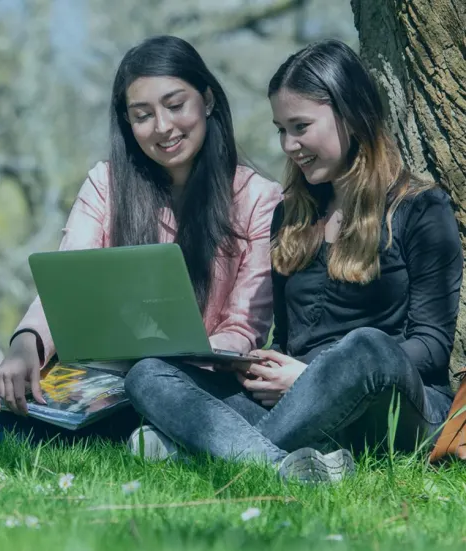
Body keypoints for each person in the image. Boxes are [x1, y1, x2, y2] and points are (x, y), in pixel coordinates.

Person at [126, 39, 461, 482]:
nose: (288, 144)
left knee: (364, 345)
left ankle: (206, 454)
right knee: (149, 372)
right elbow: (288, 336)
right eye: (281, 129)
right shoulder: (290, 213)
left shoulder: (420, 207)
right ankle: (284, 463)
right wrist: (265, 366)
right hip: (294, 399)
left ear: (351, 114)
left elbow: (432, 347)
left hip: (394, 402)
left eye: (300, 126)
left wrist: (311, 375)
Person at [0, 35, 282, 446]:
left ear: (209, 101)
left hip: (195, 386)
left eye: (175, 105)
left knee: (156, 393)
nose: (162, 127)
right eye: (142, 115)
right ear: (127, 122)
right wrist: (26, 343)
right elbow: (66, 288)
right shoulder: (106, 184)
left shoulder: (259, 199)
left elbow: (244, 327)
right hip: (103, 379)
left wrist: (175, 364)